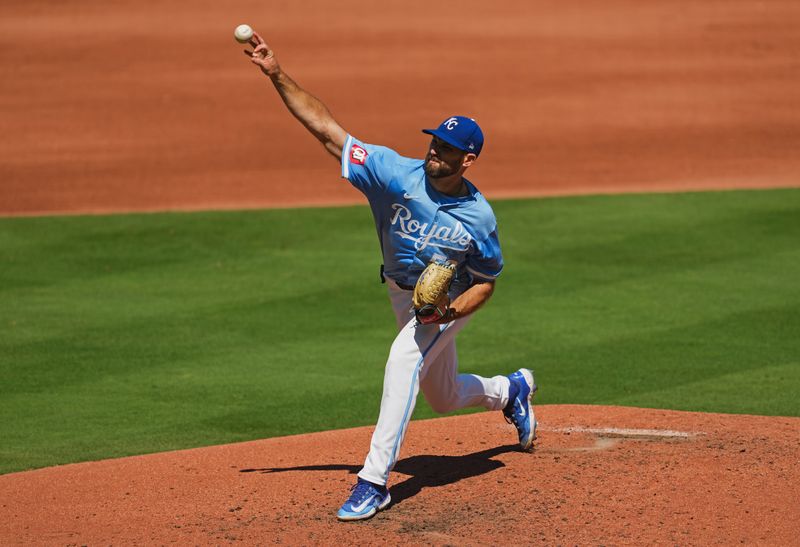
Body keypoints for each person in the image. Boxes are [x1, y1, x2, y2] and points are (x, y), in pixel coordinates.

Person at [242, 31, 537, 521]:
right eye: (435, 141)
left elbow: (486, 281)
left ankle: (374, 482)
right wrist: (276, 74)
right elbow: (326, 129)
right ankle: (511, 391)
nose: (435, 151)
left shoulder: (478, 217)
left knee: (404, 360)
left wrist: (447, 311)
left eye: (447, 148)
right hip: (400, 290)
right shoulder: (393, 172)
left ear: (468, 159)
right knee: (442, 396)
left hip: (447, 300)